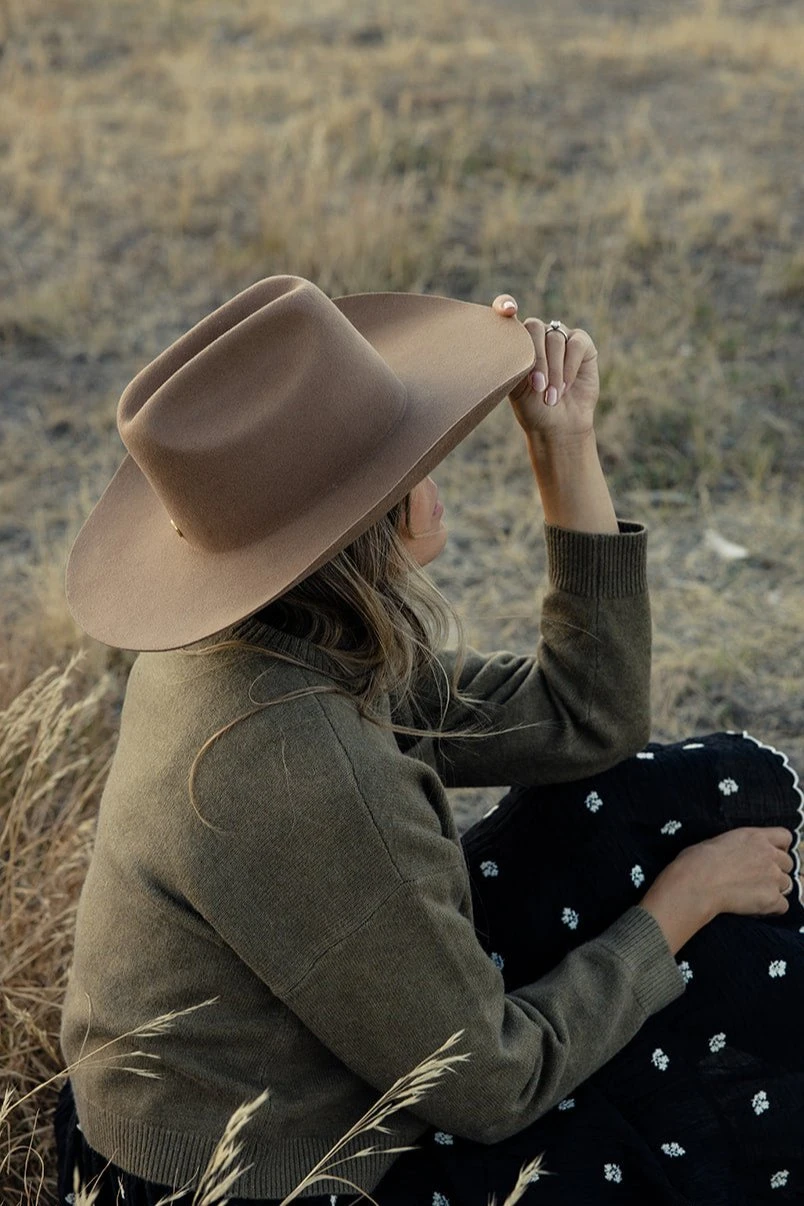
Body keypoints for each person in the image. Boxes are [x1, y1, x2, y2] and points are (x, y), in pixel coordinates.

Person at [54, 276, 803, 1205]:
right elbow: (494, 1087)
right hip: (258, 1175)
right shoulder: (301, 767)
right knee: (719, 1089)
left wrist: (563, 447)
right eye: (409, 459)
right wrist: (676, 911)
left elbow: (587, 716)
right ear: (355, 530)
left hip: (282, 1066)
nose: (436, 468)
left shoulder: (272, 637)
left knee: (708, 789)